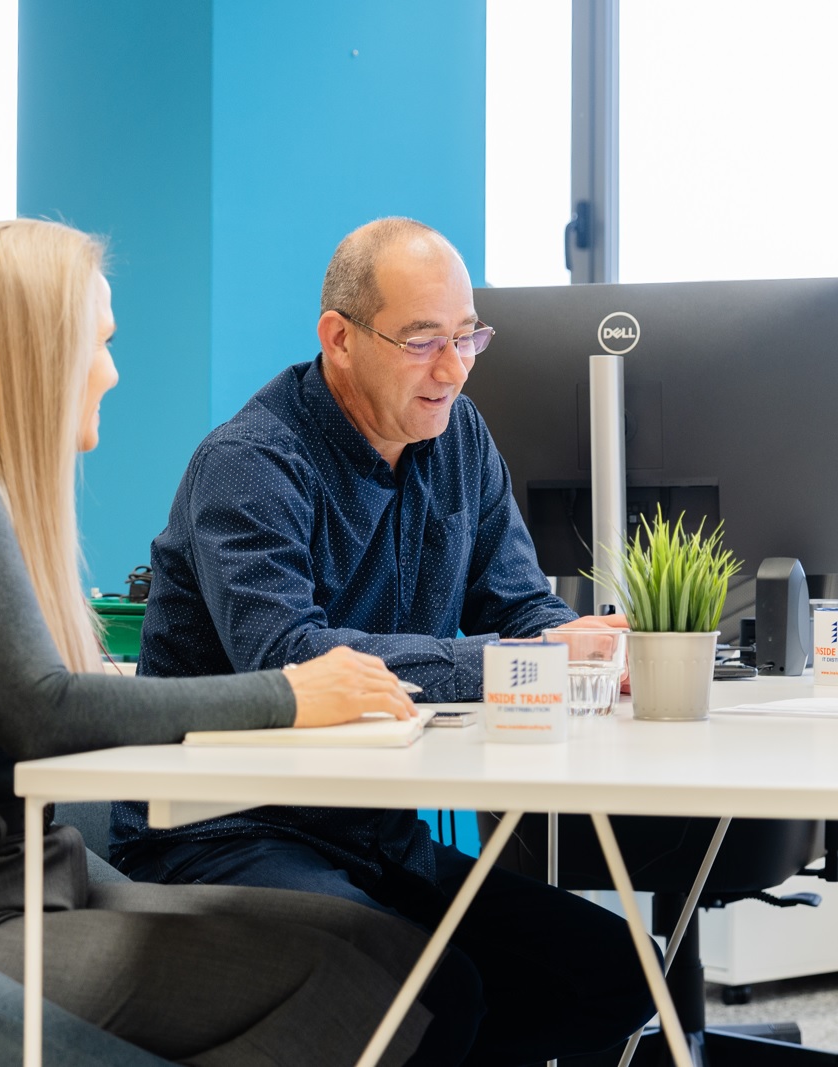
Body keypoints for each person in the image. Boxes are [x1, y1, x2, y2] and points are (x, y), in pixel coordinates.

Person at [0, 218, 475, 1065]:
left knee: (398, 958)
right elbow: (44, 712)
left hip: (34, 877)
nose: (111, 372)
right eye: (99, 342)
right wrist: (291, 692)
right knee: (348, 984)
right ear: (30, 352)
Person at [109, 217, 653, 1065]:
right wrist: (521, 663)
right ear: (339, 339)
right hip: (225, 832)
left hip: (371, 834)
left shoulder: (457, 436)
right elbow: (291, 661)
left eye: (468, 336)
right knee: (432, 993)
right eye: (423, 340)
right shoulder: (250, 465)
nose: (453, 368)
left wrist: (593, 651)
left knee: (614, 972)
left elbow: (520, 606)